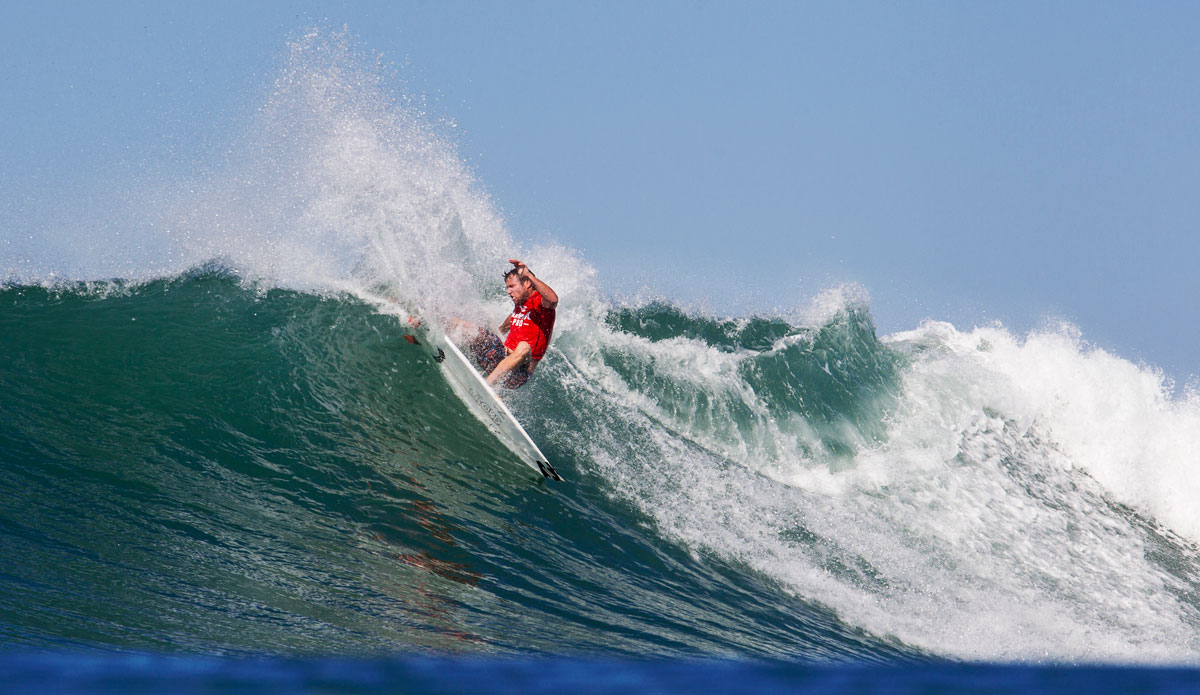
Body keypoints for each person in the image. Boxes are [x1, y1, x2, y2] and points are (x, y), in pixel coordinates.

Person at [469, 259, 558, 389]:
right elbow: (508, 323)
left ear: (527, 283)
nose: (508, 292)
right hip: (499, 358)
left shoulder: (541, 304)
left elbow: (553, 300)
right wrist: (493, 333)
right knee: (473, 329)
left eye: (511, 287)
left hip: (518, 373)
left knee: (524, 347)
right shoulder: (520, 304)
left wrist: (528, 275)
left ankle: (485, 387)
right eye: (507, 287)